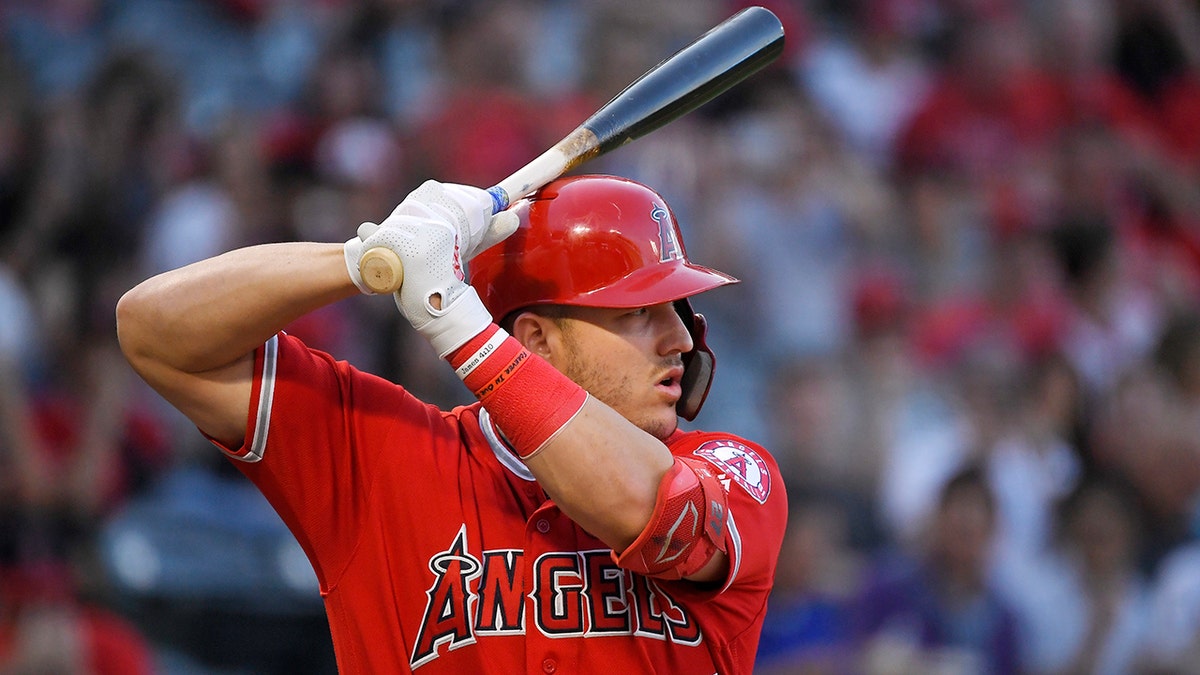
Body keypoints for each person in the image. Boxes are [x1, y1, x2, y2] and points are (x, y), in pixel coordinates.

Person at [115, 174, 788, 674]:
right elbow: (153, 331)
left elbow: (642, 504)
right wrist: (371, 260)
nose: (680, 338)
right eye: (638, 312)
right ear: (536, 339)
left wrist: (451, 317)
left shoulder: (736, 470)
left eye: (677, 308)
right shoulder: (386, 455)